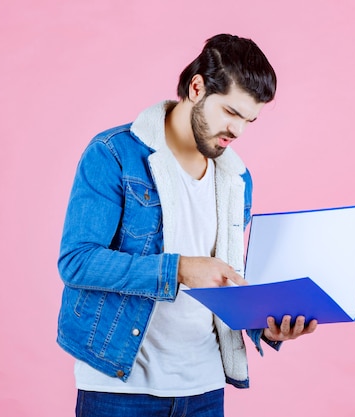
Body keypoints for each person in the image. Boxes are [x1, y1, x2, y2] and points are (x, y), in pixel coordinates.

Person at [56, 34, 317, 417]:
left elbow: (227, 279)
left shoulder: (236, 179)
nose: (238, 131)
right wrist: (179, 269)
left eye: (249, 120)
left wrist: (266, 326)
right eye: (230, 112)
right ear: (197, 88)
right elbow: (77, 261)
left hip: (204, 388)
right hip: (119, 389)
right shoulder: (114, 154)